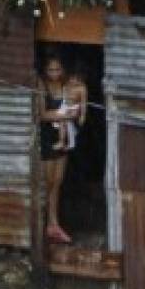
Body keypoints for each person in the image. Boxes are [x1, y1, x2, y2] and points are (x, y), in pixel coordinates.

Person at [36, 54, 86, 244]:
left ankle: (53, 224)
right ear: (45, 70)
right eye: (51, 70)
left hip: (62, 139)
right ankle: (41, 225)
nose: (54, 73)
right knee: (46, 183)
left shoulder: (66, 85)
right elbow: (41, 115)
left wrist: (76, 112)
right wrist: (63, 115)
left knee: (57, 182)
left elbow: (79, 103)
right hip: (48, 139)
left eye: (58, 69)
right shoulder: (42, 86)